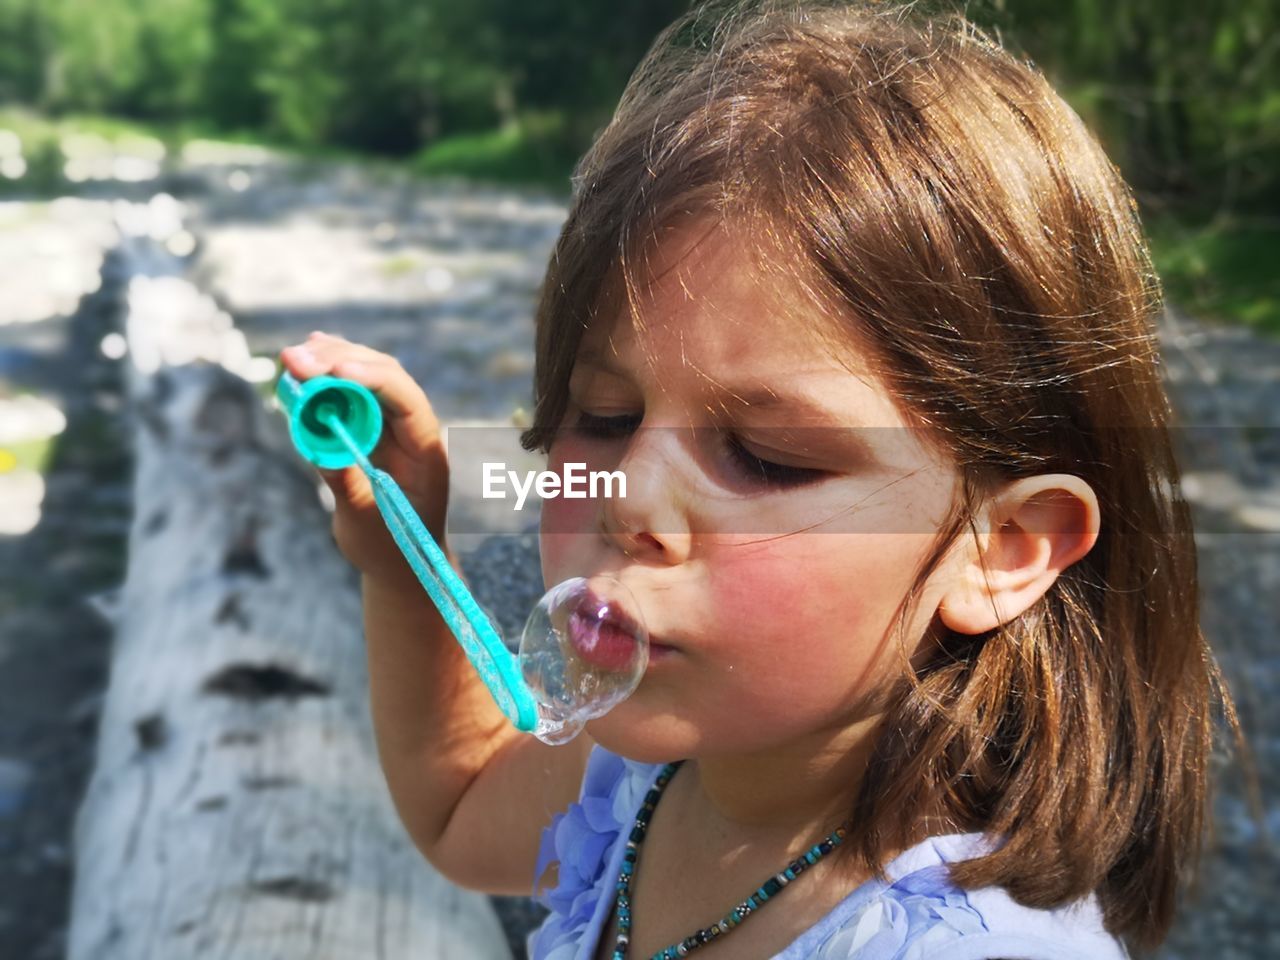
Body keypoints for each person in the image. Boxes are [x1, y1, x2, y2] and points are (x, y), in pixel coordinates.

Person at [278, 1, 1238, 957]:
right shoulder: (655, 772)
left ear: (1003, 549)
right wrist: (402, 551)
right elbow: (459, 806)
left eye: (768, 456)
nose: (627, 495)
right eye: (604, 419)